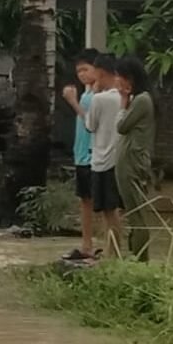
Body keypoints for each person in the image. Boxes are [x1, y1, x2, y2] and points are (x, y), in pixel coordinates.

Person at [114, 55, 157, 262]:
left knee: (137, 214)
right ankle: (135, 256)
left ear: (129, 79)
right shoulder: (138, 100)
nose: (117, 82)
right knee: (132, 213)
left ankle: (141, 260)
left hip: (133, 162)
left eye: (119, 77)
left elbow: (121, 127)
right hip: (127, 161)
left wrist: (123, 102)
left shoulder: (142, 100)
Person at [82, 54, 124, 258]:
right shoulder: (123, 97)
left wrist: (94, 93)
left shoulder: (99, 98)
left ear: (100, 72)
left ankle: (113, 253)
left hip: (102, 158)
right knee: (115, 209)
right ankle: (112, 251)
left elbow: (90, 125)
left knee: (109, 211)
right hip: (118, 158)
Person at [61, 49, 102, 258]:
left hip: (92, 153)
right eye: (79, 71)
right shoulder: (88, 92)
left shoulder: (99, 95)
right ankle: (87, 245)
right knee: (85, 200)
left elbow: (90, 124)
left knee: (101, 202)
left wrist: (73, 102)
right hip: (81, 154)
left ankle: (104, 245)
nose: (82, 75)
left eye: (86, 69)